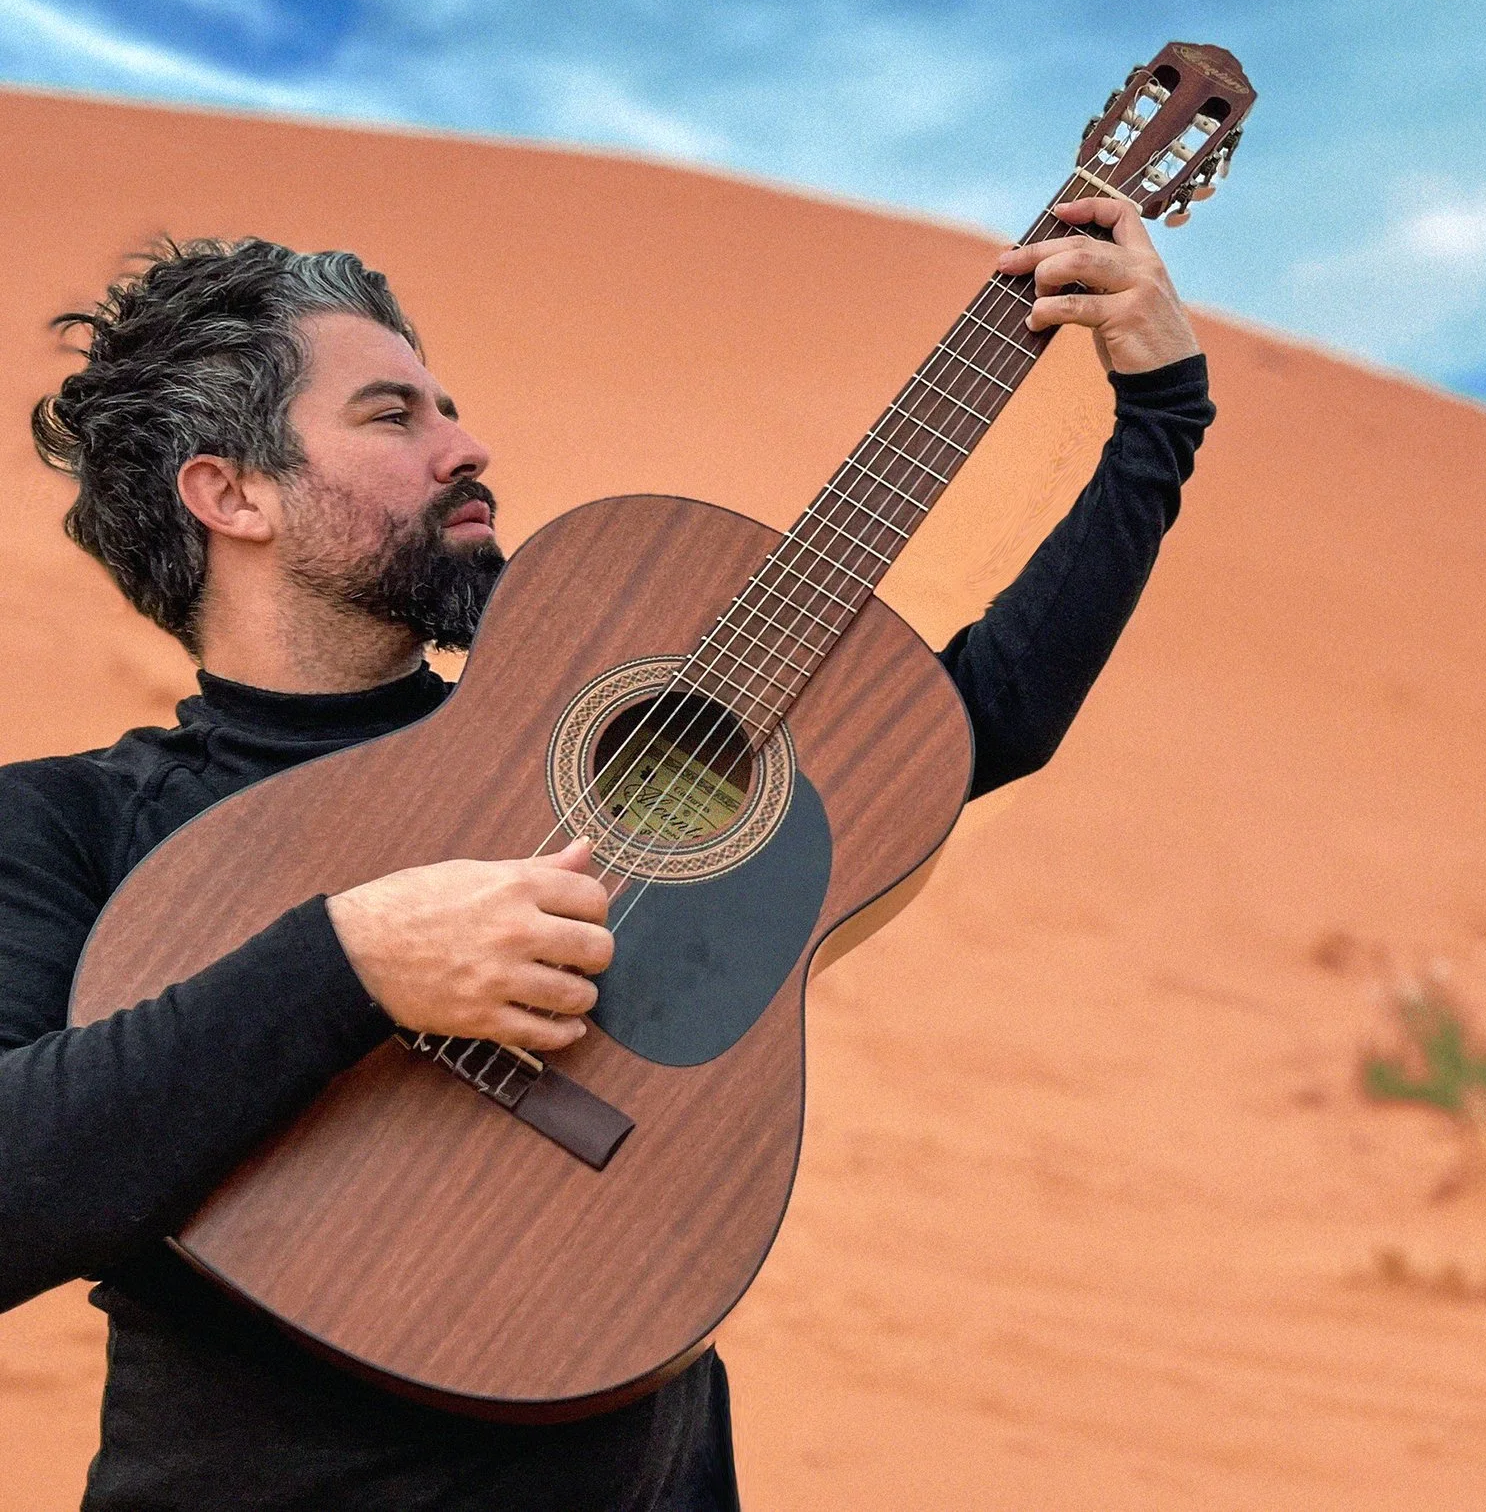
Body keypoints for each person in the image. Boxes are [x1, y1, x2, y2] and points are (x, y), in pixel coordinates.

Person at [0, 201, 1214, 1511]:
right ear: (229, 491)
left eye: (450, 404)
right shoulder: (79, 827)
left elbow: (944, 732)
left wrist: (1158, 424)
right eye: (393, 416)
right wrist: (350, 961)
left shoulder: (589, 742)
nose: (468, 447)